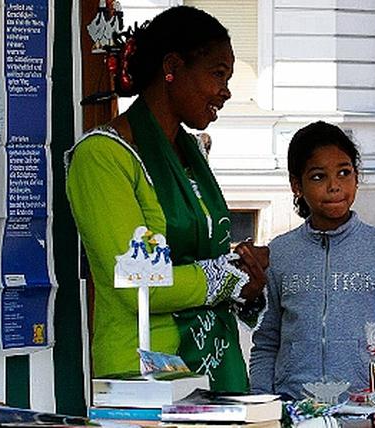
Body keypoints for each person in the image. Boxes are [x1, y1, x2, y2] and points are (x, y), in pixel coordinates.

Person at [65, 6, 268, 393]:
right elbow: (136, 282)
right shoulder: (102, 157)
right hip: (144, 378)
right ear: (172, 67)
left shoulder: (191, 153)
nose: (226, 91)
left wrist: (247, 284)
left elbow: (203, 260)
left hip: (214, 369)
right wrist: (230, 275)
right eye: (218, 74)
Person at [248, 121, 375, 399]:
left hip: (364, 405)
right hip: (292, 406)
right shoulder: (281, 252)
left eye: (344, 173)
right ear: (297, 185)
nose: (334, 186)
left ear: (356, 177)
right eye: (319, 176)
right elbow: (267, 340)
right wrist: (261, 402)